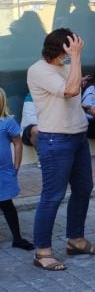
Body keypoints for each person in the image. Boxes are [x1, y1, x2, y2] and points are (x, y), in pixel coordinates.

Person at [27, 29, 95, 271]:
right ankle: (42, 251)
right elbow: (69, 90)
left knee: (83, 188)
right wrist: (77, 58)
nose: (72, 55)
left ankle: (76, 240)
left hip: (78, 135)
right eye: (69, 50)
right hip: (55, 140)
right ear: (60, 49)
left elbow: (72, 95)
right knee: (52, 196)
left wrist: (87, 107)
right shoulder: (39, 70)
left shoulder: (66, 66)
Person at [0, 89, 32, 249]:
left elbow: (18, 143)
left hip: (3, 172)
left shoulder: (7, 122)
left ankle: (17, 238)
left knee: (6, 204)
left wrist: (17, 165)